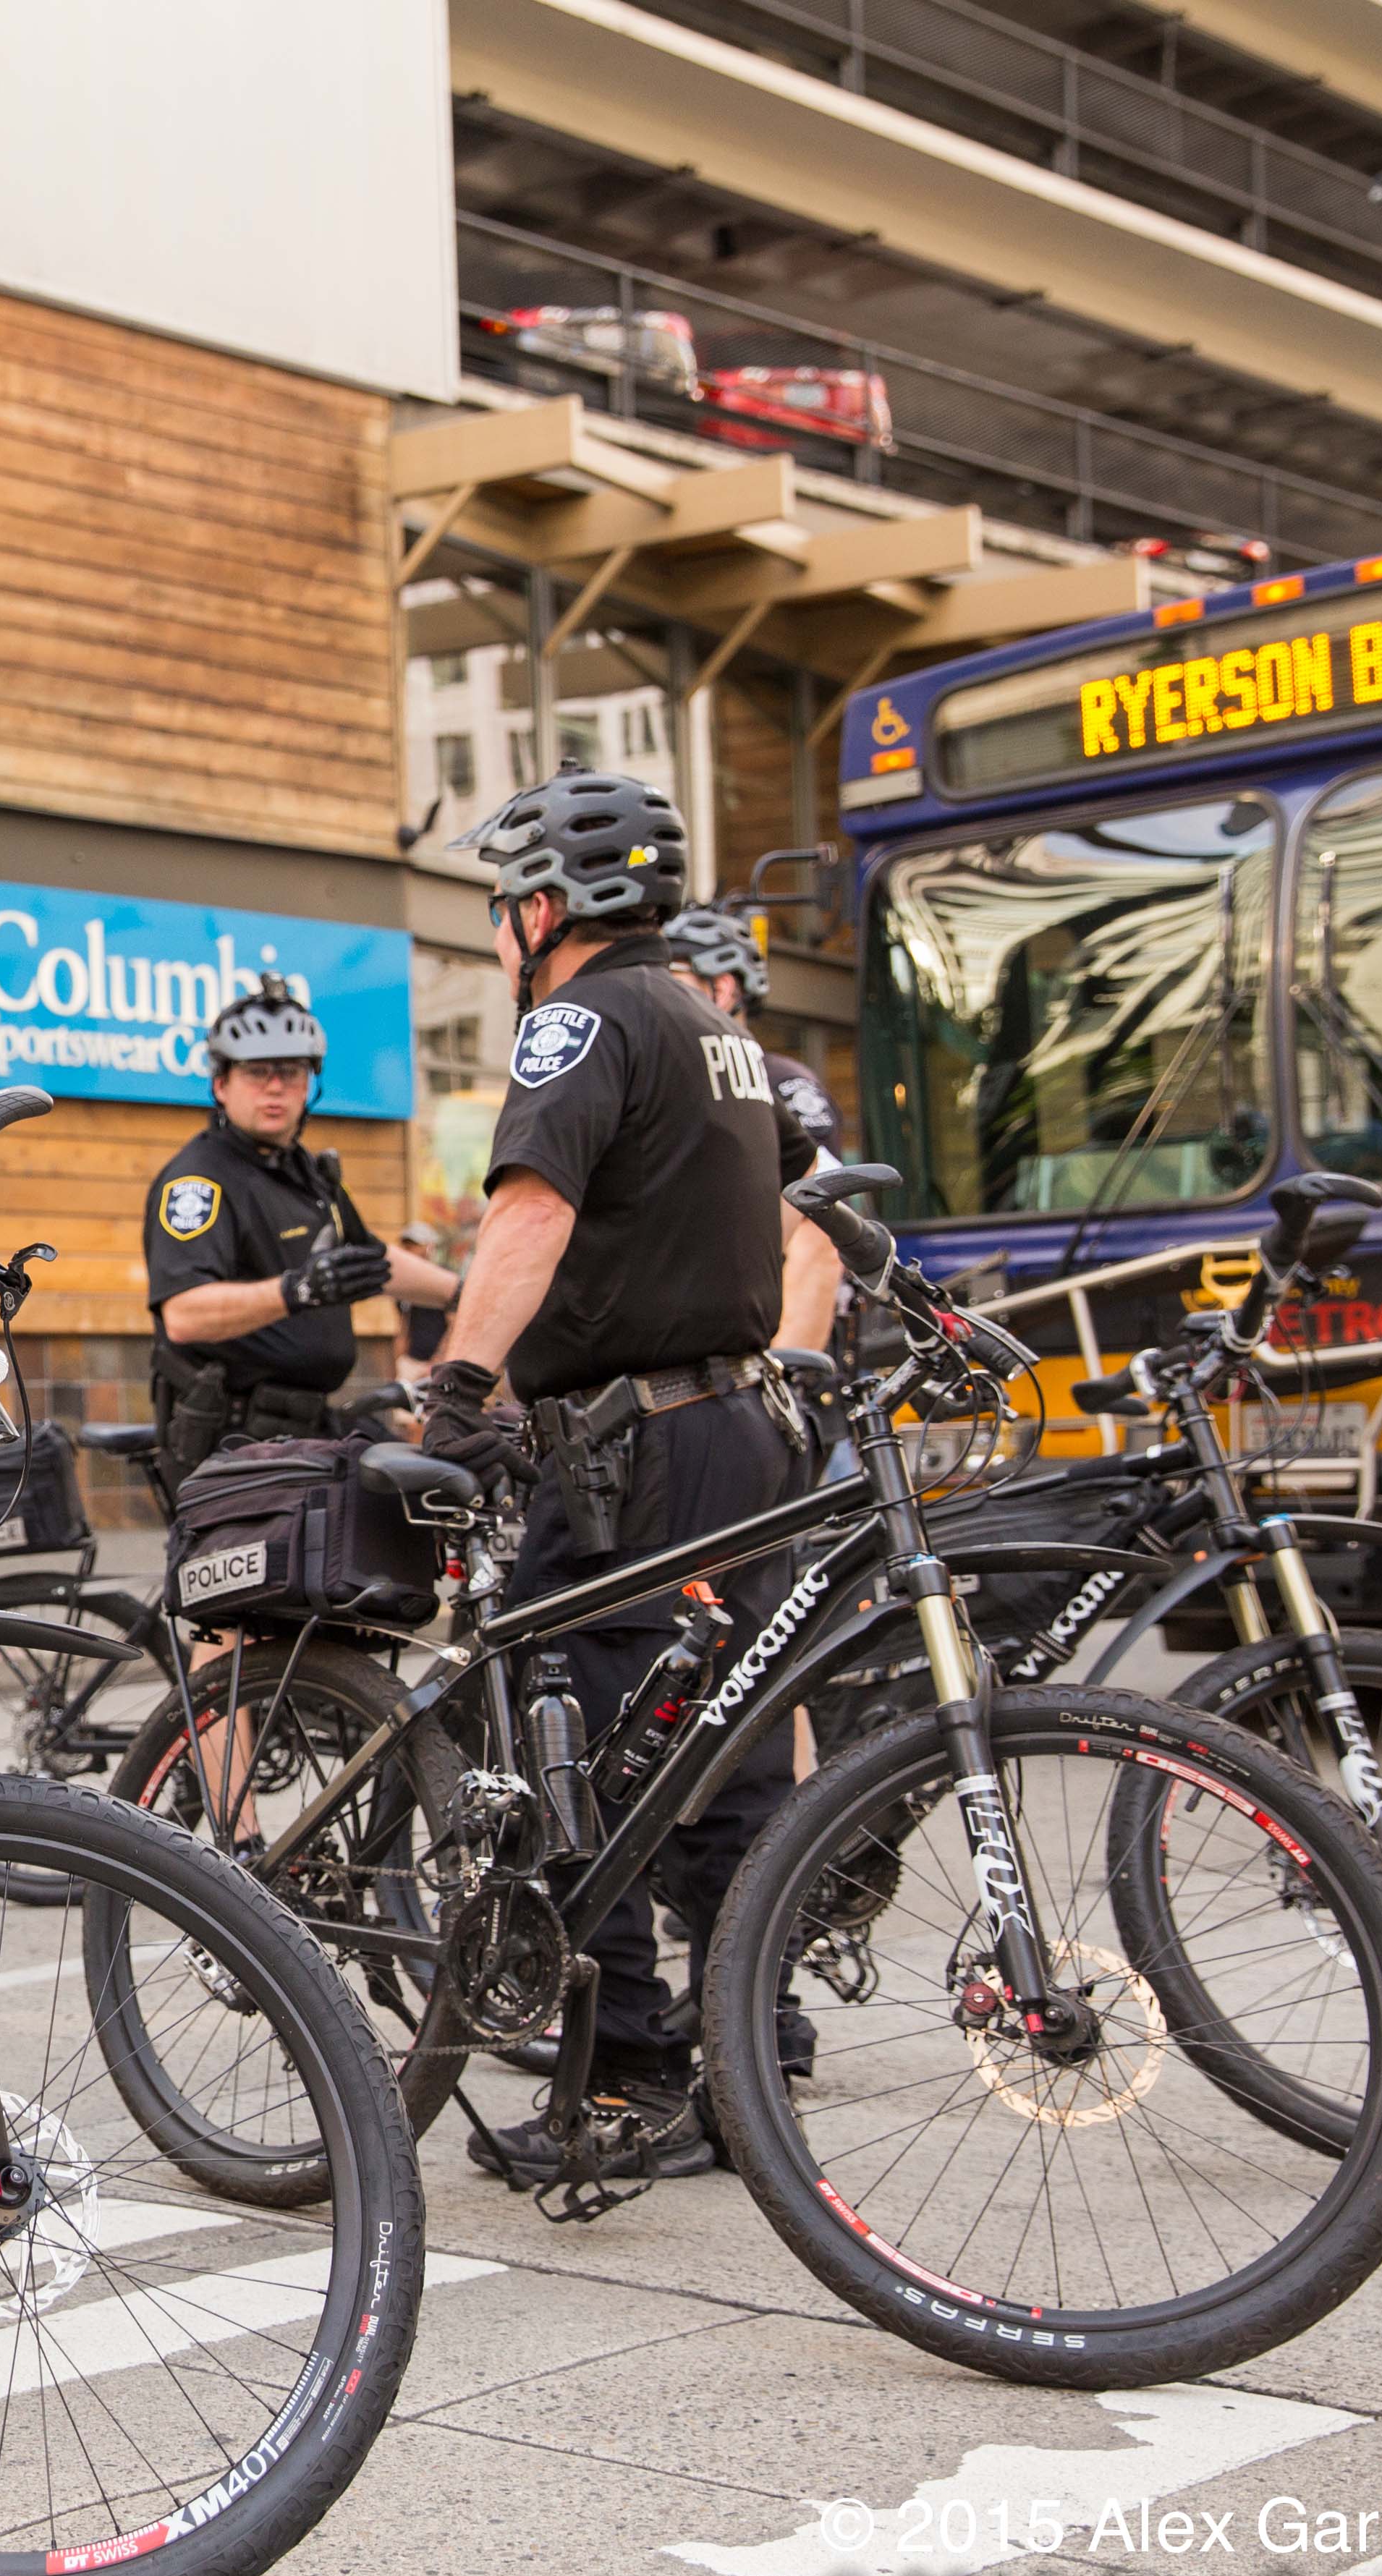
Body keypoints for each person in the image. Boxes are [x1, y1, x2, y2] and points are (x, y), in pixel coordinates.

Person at [412, 768, 827, 2185]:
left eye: (501, 904)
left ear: (544, 908)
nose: (497, 931)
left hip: (633, 1452)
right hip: (742, 1429)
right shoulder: (716, 1029)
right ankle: (747, 2057)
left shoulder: (579, 1019)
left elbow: (532, 1211)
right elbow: (792, 1189)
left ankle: (629, 2080)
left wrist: (457, 1387)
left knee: (578, 1754)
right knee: (730, 1751)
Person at [144, 977, 462, 1479]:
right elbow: (184, 1315)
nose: (275, 1087)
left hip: (309, 1427)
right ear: (221, 1084)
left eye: (291, 1072)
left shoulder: (308, 1173)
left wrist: (464, 1294)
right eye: (257, 1072)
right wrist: (299, 1290)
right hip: (233, 1441)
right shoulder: (199, 1181)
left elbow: (372, 1261)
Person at [664, 905, 847, 1358]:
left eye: (673, 978)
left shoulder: (782, 1084)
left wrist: (787, 1372)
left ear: (723, 988)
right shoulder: (672, 1085)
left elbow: (817, 1233)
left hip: (770, 1356)